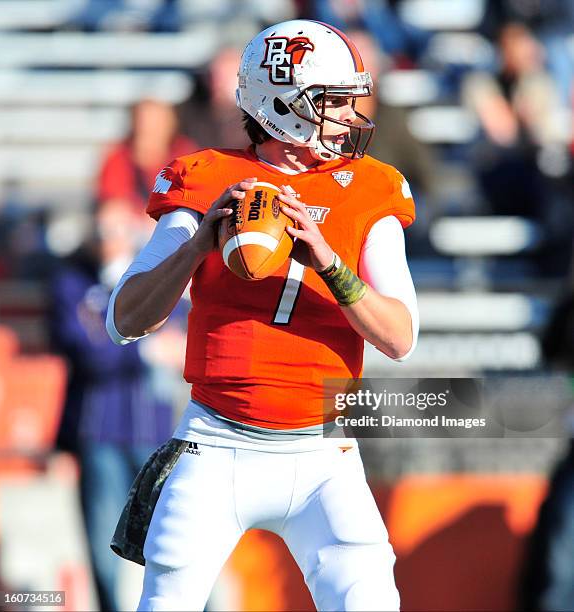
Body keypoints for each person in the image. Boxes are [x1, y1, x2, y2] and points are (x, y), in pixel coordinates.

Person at [107, 19, 419, 611]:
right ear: (283, 107)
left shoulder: (372, 187)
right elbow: (124, 320)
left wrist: (329, 262)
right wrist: (197, 244)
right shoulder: (205, 178)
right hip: (215, 443)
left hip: (327, 451)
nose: (350, 113)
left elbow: (402, 337)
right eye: (332, 101)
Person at [49, 202, 174, 611]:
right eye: (104, 227)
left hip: (155, 436)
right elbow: (94, 353)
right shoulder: (73, 284)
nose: (111, 236)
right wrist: (147, 350)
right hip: (100, 434)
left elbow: (184, 335)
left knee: (175, 543)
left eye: (121, 227)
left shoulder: (163, 277)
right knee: (105, 552)